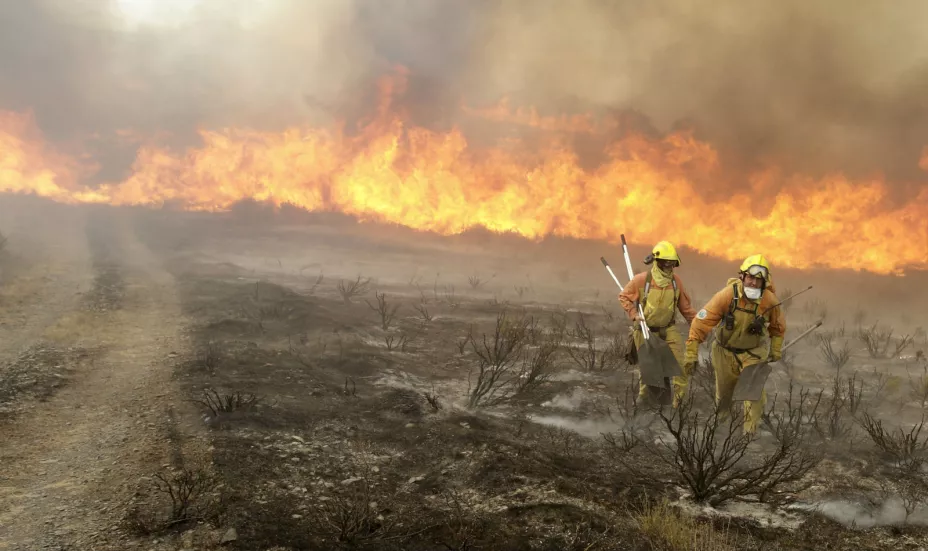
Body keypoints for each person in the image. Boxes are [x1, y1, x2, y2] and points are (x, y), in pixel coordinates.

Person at [682, 254, 786, 434]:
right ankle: (721, 434)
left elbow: (778, 327)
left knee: (754, 395)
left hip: (753, 353)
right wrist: (691, 353)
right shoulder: (727, 295)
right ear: (743, 276)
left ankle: (749, 435)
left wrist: (775, 349)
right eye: (751, 277)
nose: (753, 283)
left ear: (765, 282)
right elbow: (701, 323)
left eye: (758, 280)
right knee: (724, 396)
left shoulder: (769, 301)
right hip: (724, 352)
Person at [619, 241, 698, 407]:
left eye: (672, 263)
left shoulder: (676, 282)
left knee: (680, 366)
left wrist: (699, 325)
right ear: (657, 261)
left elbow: (686, 309)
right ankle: (643, 400)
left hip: (668, 329)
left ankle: (677, 405)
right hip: (645, 329)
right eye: (666, 262)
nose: (669, 267)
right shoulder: (642, 280)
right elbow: (624, 296)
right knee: (648, 370)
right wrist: (634, 315)